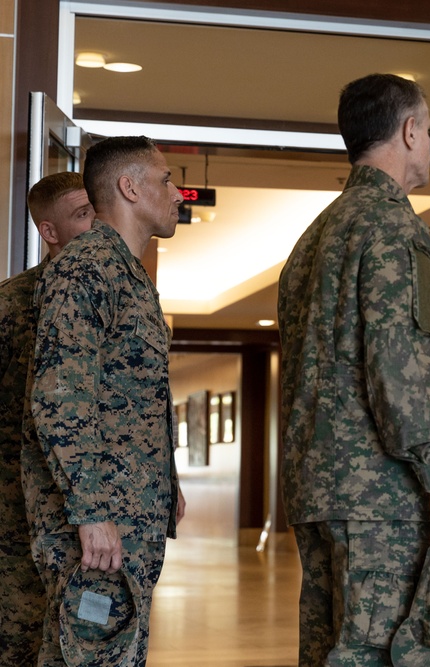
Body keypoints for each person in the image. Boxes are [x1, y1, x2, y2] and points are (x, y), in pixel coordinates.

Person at [278, 72, 430, 666]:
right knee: (383, 652)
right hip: (379, 495)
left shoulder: (315, 236)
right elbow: (397, 367)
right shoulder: (393, 226)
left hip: (317, 487)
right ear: (410, 131)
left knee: (330, 650)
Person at [22, 136, 185, 666]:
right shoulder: (86, 267)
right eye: (165, 180)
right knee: (90, 655)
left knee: (105, 653)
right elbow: (59, 394)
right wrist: (92, 512)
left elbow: (135, 399)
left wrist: (168, 488)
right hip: (95, 526)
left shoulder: (127, 272)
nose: (177, 193)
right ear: (129, 187)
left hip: (126, 516)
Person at [0, 172, 95, 666]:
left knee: (84, 635)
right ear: (49, 232)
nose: (98, 224)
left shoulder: (120, 295)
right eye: (83, 215)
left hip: (91, 505)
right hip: (17, 505)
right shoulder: (12, 303)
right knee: (20, 634)